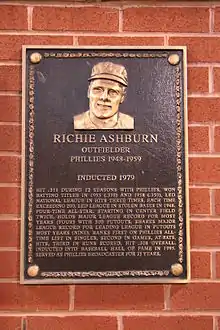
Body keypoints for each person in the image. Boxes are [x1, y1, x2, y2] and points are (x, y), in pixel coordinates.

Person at [73, 61, 134, 130]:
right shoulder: (77, 123)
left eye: (113, 92)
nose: (104, 97)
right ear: (88, 92)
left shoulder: (129, 123)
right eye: (98, 90)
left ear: (122, 97)